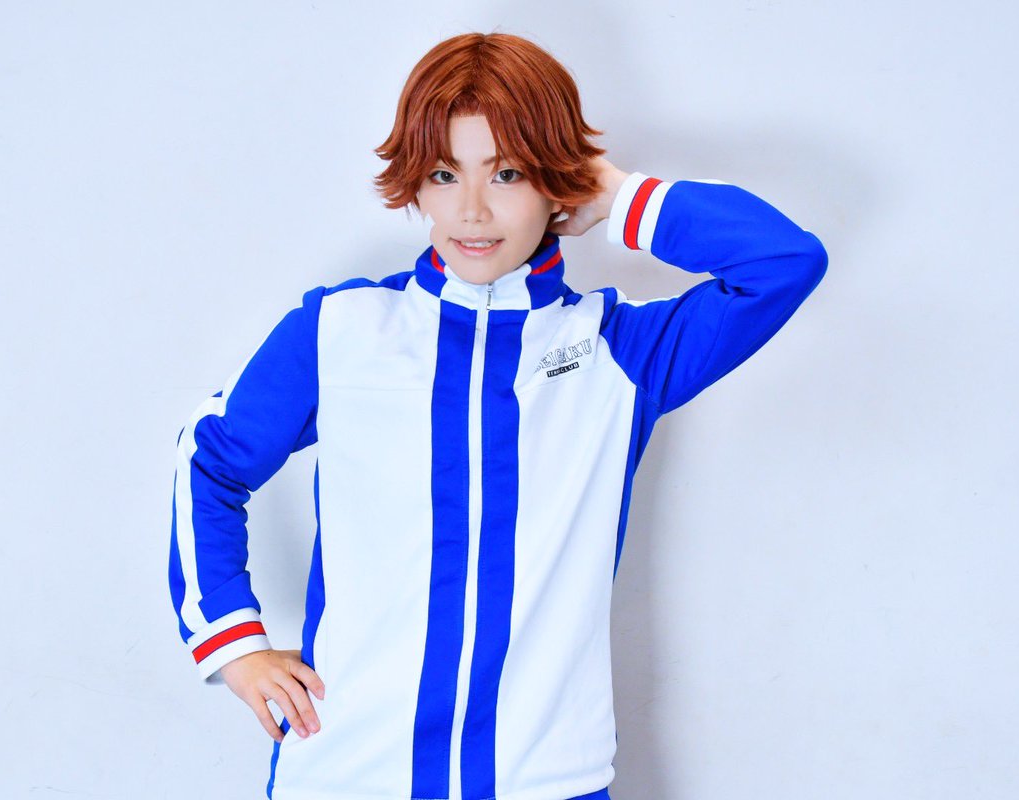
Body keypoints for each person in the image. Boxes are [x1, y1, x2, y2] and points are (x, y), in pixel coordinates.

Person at [168, 30, 827, 800]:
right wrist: (233, 644)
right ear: (416, 184)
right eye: (444, 174)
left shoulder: (619, 353)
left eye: (507, 172)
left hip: (546, 780)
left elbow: (784, 263)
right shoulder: (340, 332)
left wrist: (614, 195)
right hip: (348, 774)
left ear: (556, 181)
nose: (472, 209)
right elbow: (209, 460)